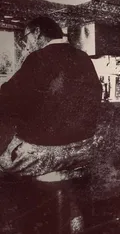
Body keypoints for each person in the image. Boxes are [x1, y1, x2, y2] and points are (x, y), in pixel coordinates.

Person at [0, 17, 103, 232]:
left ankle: (24, 226)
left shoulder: (38, 58)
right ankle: (72, 220)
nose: (25, 43)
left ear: (37, 32)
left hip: (46, 153)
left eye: (25, 37)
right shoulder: (83, 58)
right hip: (84, 149)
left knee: (4, 166)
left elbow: (8, 100)